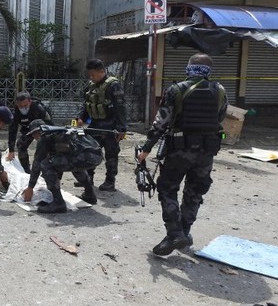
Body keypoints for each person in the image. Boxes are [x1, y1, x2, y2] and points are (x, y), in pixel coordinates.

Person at [136, 53, 227, 256]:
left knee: (167, 189)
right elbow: (220, 117)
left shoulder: (176, 90)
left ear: (189, 68)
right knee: (194, 193)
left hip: (180, 149)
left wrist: (147, 147)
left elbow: (162, 121)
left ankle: (175, 233)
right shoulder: (220, 90)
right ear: (208, 71)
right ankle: (184, 233)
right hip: (207, 151)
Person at [22, 119, 102, 213]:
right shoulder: (59, 131)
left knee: (45, 164)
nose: (33, 136)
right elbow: (62, 159)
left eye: (33, 133)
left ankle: (58, 203)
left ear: (38, 131)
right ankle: (90, 195)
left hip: (84, 157)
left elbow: (37, 163)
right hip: (96, 156)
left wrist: (30, 188)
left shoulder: (45, 136)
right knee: (74, 164)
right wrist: (57, 179)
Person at [77, 59, 127, 191]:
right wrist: (81, 117)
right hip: (95, 124)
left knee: (111, 154)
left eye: (93, 74)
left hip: (111, 126)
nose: (91, 77)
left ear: (102, 71)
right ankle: (88, 179)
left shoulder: (113, 85)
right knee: (89, 151)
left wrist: (122, 129)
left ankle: (110, 181)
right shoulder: (91, 86)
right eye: (89, 75)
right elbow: (87, 104)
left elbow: (120, 107)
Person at [6, 91, 53, 173]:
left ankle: (47, 169)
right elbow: (13, 129)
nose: (23, 108)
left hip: (42, 128)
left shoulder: (39, 109)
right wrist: (11, 150)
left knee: (44, 149)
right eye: (21, 106)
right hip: (28, 129)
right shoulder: (16, 111)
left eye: (25, 106)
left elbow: (50, 124)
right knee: (21, 144)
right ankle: (26, 170)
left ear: (30, 102)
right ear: (17, 104)